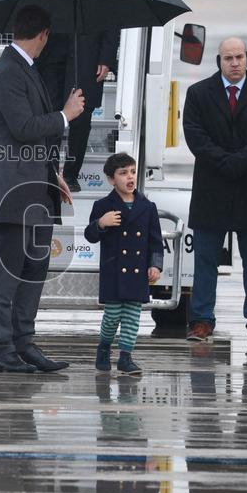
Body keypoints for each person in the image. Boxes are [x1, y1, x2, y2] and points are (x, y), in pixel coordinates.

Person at [0, 4, 85, 373]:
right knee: (7, 274)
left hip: (34, 188)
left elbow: (28, 134)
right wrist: (66, 115)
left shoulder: (24, 68)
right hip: (12, 193)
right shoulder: (7, 71)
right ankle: (1, 348)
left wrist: (51, 173)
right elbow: (23, 127)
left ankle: (24, 343)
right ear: (43, 35)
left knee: (34, 270)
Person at [183, 37, 247, 345]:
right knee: (205, 262)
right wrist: (223, 161)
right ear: (219, 61)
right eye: (228, 58)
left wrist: (238, 161)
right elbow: (194, 136)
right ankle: (201, 320)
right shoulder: (198, 93)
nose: (235, 63)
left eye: (239, 57)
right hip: (211, 188)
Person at [35, 0, 121, 192]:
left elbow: (112, 19)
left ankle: (71, 175)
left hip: (87, 55)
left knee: (81, 119)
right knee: (50, 115)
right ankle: (49, 173)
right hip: (50, 55)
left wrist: (106, 57)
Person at [84, 153, 164, 376]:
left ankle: (125, 357)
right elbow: (90, 235)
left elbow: (156, 242)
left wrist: (155, 265)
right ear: (111, 179)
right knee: (112, 316)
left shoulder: (147, 206)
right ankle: (104, 347)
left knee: (132, 316)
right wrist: (101, 223)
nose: (130, 177)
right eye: (123, 173)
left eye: (133, 172)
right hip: (114, 270)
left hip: (137, 271)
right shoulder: (103, 205)